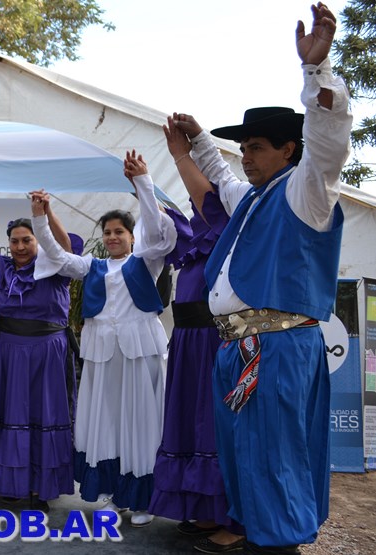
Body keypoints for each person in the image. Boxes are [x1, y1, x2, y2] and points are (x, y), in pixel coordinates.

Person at [172, 4, 352, 552]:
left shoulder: (307, 191)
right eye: (244, 146)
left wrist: (315, 73)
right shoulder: (253, 199)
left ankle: (280, 544)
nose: (245, 155)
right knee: (242, 452)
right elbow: (223, 178)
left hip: (276, 346)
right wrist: (201, 140)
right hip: (238, 347)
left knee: (275, 453)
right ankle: (258, 534)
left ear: (288, 150)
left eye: (255, 146)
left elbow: (328, 144)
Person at [31, 151, 177, 526]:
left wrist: (142, 183)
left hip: (140, 350)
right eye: (108, 232)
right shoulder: (90, 266)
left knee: (143, 421)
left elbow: (159, 231)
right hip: (102, 356)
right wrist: (40, 216)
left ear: (132, 236)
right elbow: (57, 256)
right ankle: (115, 495)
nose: (112, 237)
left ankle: (144, 498)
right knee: (107, 422)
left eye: (119, 232)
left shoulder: (147, 260)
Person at [148, 116, 245, 553]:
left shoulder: (229, 231)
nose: (195, 196)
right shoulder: (191, 242)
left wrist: (182, 155)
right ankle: (202, 507)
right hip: (186, 343)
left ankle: (228, 515)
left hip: (214, 342)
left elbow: (208, 192)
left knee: (212, 426)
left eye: (200, 192)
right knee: (190, 424)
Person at [0, 198, 79, 512]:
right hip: (8, 353)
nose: (21, 246)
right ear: (8, 244)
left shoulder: (54, 265)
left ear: (38, 240)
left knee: (43, 415)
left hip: (47, 354)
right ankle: (9, 484)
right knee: (9, 415)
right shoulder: (2, 268)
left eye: (27, 240)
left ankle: (40, 486)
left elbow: (63, 247)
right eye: (15, 241)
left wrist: (47, 213)